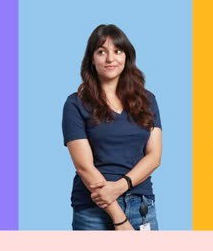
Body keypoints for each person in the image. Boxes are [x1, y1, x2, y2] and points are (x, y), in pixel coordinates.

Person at [62, 24, 162, 230]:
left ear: (126, 57)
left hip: (141, 205)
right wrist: (119, 217)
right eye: (101, 52)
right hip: (93, 209)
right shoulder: (75, 104)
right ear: (91, 59)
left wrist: (119, 187)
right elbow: (84, 167)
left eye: (117, 51)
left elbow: (154, 156)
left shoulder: (147, 100)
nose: (110, 59)